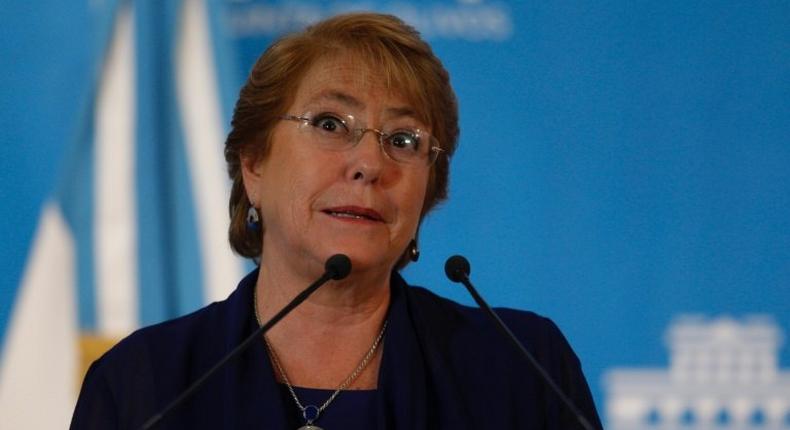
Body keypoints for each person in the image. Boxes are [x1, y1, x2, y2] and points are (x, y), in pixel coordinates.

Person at [71, 12, 602, 429]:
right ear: (254, 164)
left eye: (403, 140)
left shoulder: (522, 370)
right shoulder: (145, 385)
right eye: (329, 123)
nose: (370, 165)